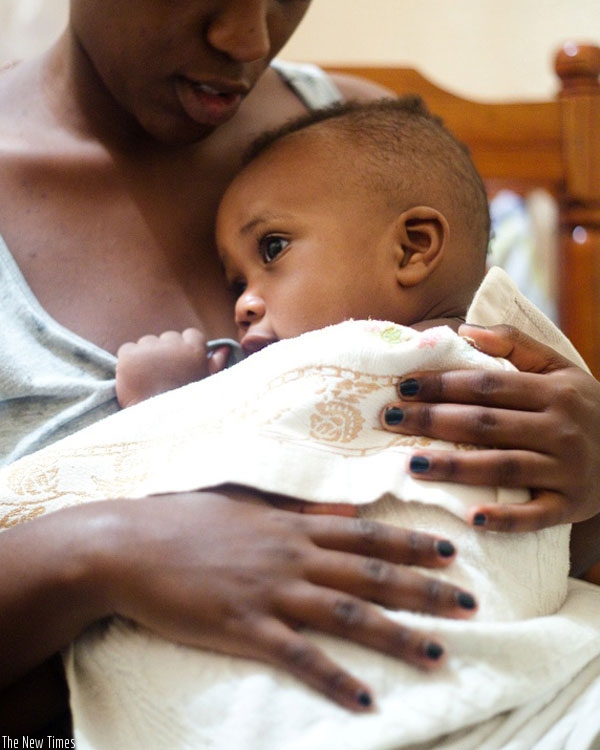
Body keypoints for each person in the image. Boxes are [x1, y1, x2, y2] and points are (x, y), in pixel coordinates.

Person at [1, 0, 599, 736]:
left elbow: (504, 535)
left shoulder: (367, 142)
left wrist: (582, 478)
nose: (247, 39)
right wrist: (106, 550)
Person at [115, 95, 490, 410]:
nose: (243, 306)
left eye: (272, 248)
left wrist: (162, 403)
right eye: (238, 284)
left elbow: (226, 474)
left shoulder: (521, 386)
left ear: (411, 249)